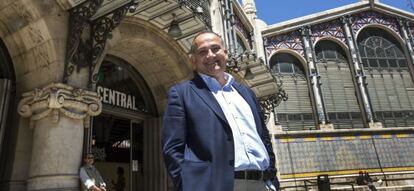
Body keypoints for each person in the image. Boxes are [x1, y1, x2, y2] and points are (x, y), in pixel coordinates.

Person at [162, 31, 279, 191]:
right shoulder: (182, 93)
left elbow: (263, 138)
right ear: (194, 60)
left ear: (225, 53)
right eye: (202, 51)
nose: (210, 55)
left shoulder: (246, 93)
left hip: (261, 183)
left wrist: (272, 179)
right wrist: (189, 186)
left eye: (215, 48)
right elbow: (172, 148)